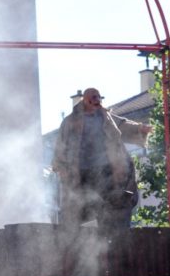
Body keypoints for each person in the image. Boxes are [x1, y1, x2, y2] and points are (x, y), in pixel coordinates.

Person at [52, 87, 151, 237]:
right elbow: (61, 143)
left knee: (113, 204)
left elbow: (122, 125)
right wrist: (60, 165)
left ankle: (112, 238)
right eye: (93, 97)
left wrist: (140, 129)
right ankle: (71, 241)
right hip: (81, 172)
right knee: (75, 207)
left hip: (106, 170)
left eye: (98, 97)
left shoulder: (106, 117)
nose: (97, 100)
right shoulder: (71, 121)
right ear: (85, 100)